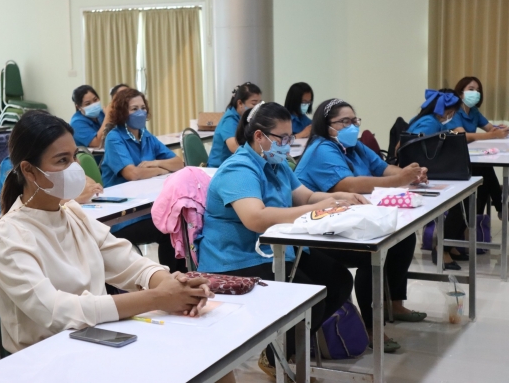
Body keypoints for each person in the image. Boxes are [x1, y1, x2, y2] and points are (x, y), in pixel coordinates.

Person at [0, 112, 214, 354]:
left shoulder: (72, 213)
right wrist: (158, 298)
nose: (74, 168)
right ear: (29, 171)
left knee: (201, 352)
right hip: (47, 357)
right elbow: (55, 312)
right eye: (62, 160)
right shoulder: (5, 235)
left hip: (98, 341)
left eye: (74, 157)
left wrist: (172, 285)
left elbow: (129, 263)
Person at [198, 101, 359, 378]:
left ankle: (284, 349)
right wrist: (316, 209)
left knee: (338, 281)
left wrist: (337, 198)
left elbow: (306, 196)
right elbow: (255, 218)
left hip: (276, 249)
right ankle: (278, 359)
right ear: (259, 136)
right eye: (281, 138)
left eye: (290, 137)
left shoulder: (276, 164)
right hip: (237, 258)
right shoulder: (239, 169)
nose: (287, 145)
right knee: (310, 299)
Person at [295, 98, 429, 353]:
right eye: (344, 121)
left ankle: (394, 304)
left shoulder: (354, 145)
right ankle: (370, 327)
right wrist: (399, 180)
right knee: (370, 255)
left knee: (404, 238)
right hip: (318, 231)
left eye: (354, 120)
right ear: (327, 125)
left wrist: (409, 174)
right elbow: (347, 185)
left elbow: (383, 168)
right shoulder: (322, 149)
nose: (352, 126)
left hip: (345, 221)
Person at [100, 88, 185, 273]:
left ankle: (183, 276)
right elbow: (133, 174)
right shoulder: (114, 138)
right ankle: (172, 279)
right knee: (170, 227)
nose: (140, 112)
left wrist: (155, 163)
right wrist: (161, 170)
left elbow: (178, 163)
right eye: (134, 109)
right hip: (122, 216)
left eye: (142, 108)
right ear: (122, 112)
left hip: (146, 208)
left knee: (182, 220)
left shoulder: (145, 134)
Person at [448, 76, 506, 219]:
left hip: (470, 156)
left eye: (478, 90)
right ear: (460, 93)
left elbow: (490, 128)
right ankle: (500, 208)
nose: (475, 93)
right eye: (471, 89)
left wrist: (501, 129)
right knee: (485, 171)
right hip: (454, 158)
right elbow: (462, 136)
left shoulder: (473, 111)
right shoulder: (453, 111)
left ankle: (484, 216)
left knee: (485, 174)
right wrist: (493, 135)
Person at [207, 82, 262, 167]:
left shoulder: (245, 119)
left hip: (236, 163)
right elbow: (234, 147)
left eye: (259, 104)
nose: (257, 108)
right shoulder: (229, 120)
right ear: (240, 103)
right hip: (219, 167)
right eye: (254, 104)